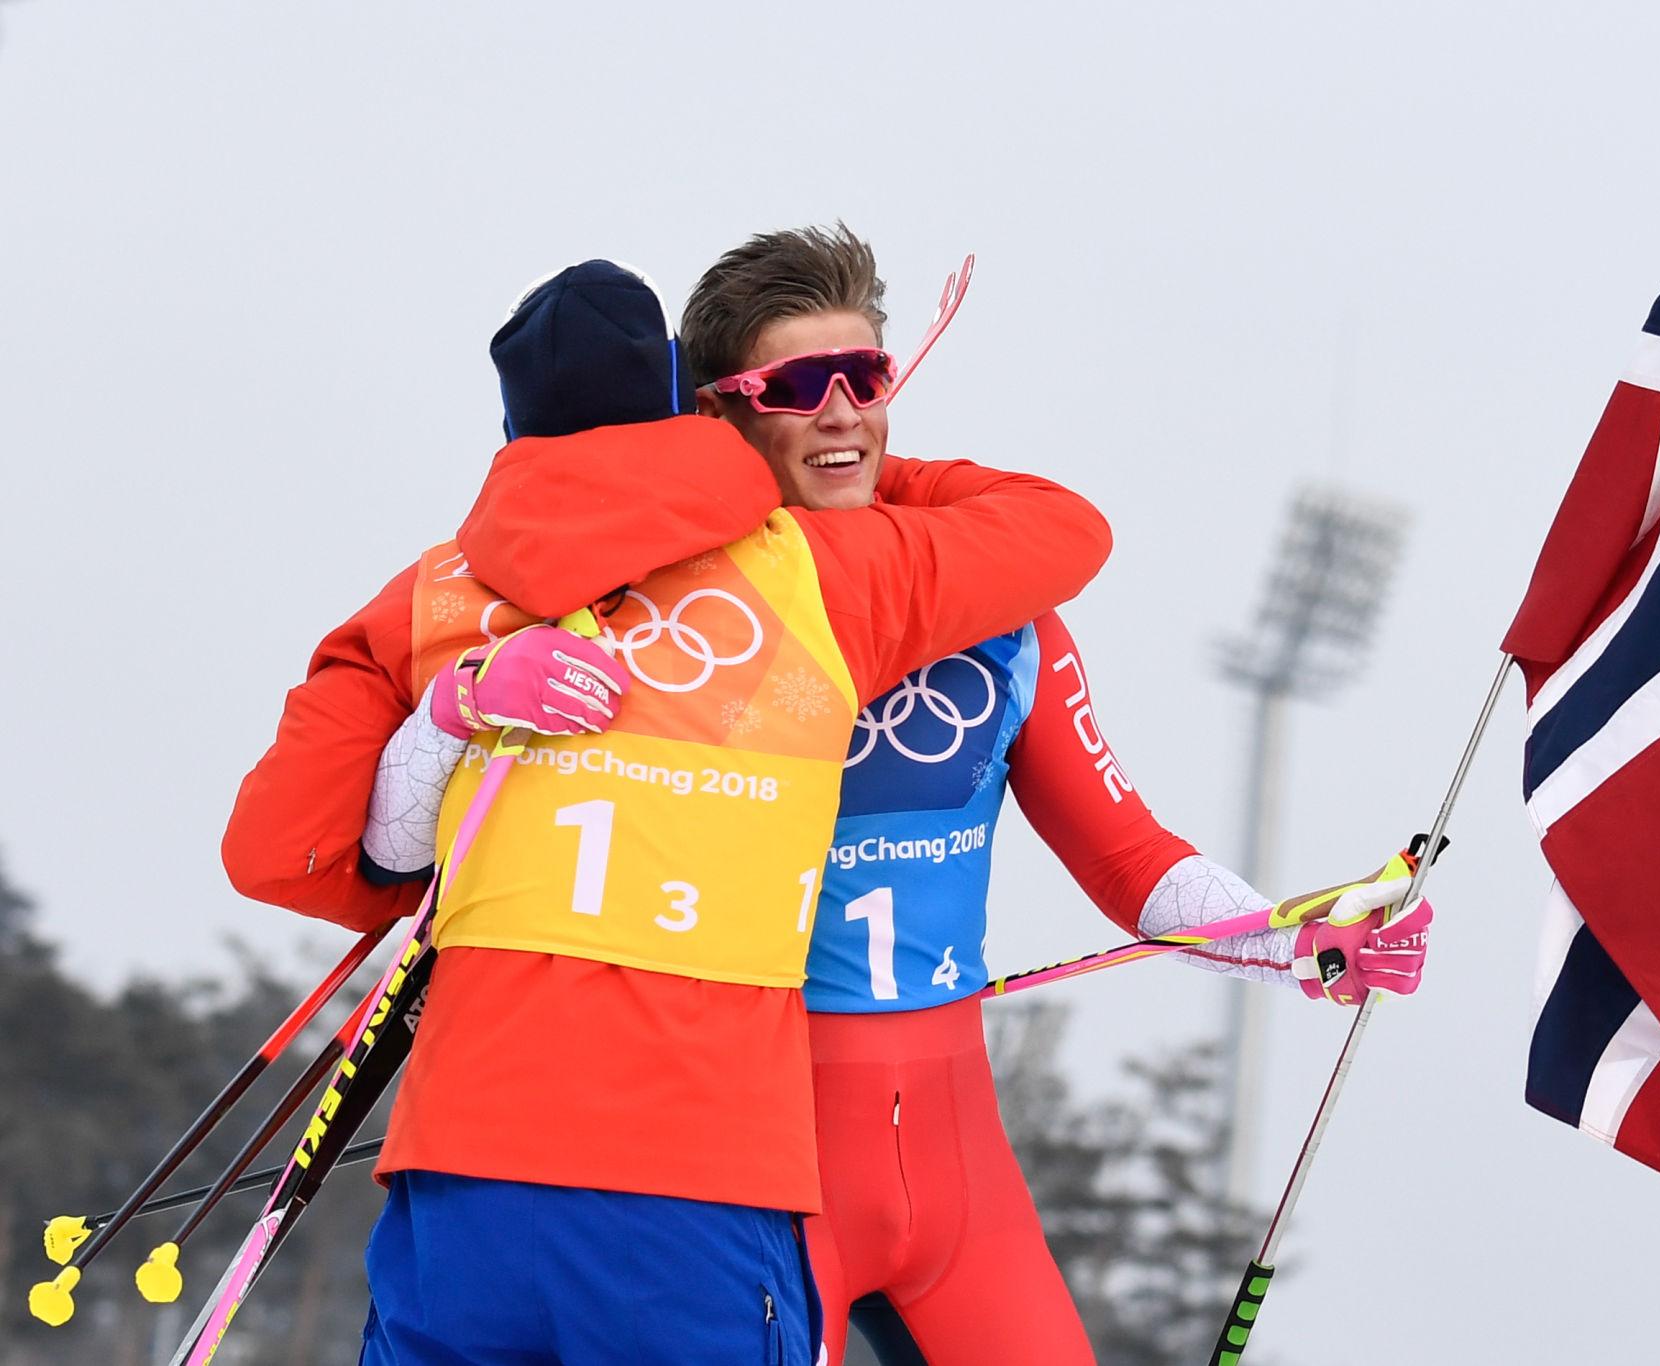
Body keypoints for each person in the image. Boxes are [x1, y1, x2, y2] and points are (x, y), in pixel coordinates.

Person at [220, 258, 1114, 1364]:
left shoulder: (436, 595)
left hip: (458, 1179)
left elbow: (277, 851)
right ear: (687, 408)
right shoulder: (825, 577)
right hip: (696, 1182)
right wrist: (843, 448)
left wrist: (452, 725)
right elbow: (1062, 529)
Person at [679, 227, 1436, 1364]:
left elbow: (1126, 855)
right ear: (725, 414)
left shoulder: (1004, 613)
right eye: (796, 386)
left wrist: (1296, 935)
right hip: (762, 1168)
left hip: (958, 1173)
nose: (840, 411)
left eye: (865, 377)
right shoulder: (692, 624)